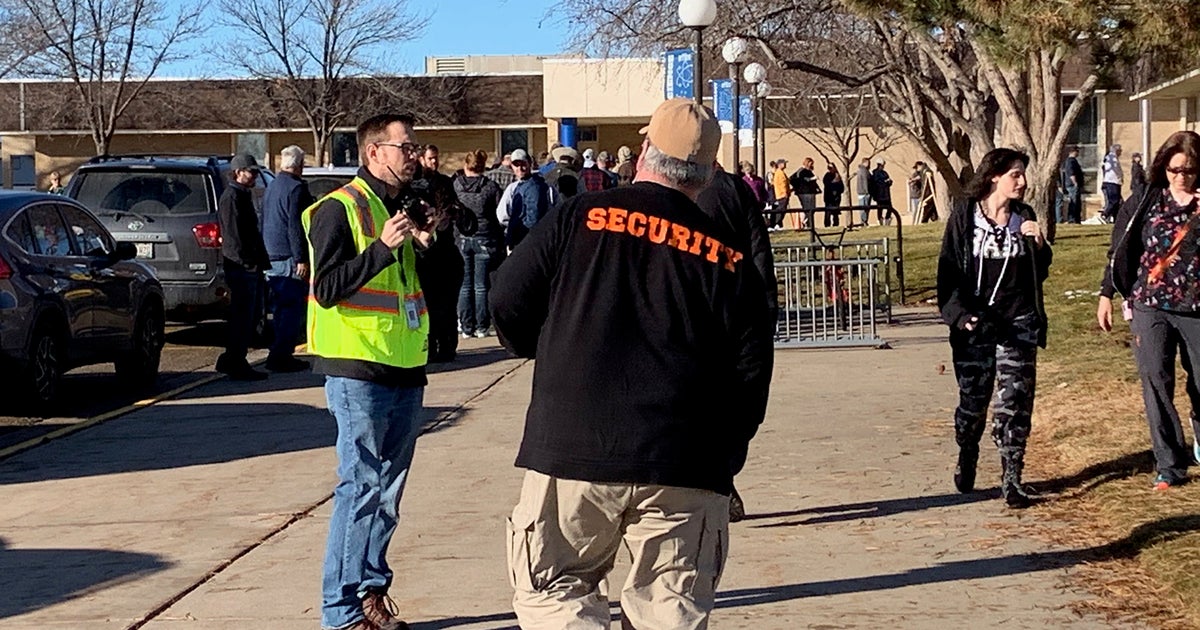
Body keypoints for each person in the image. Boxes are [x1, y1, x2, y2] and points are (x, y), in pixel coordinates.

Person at [491, 98, 773, 630]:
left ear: (644, 150)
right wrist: (726, 455)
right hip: (684, 459)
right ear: (710, 172)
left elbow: (507, 299)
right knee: (670, 609)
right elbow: (751, 370)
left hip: (573, 448)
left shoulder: (579, 217)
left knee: (553, 591)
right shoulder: (729, 258)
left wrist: (545, 345)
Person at [303, 113, 438, 630]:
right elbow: (329, 287)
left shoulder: (399, 207)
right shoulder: (338, 210)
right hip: (357, 367)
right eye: (405, 146)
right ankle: (339, 612)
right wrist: (382, 248)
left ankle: (370, 590)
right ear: (374, 152)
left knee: (388, 490)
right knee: (359, 488)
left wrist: (425, 243)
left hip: (403, 364)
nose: (413, 154)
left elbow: (411, 286)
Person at [937, 147, 1051, 509]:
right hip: (976, 328)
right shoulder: (965, 217)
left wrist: (1038, 244)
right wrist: (959, 315)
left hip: (1018, 324)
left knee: (1015, 403)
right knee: (973, 405)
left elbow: (1039, 272)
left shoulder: (1025, 215)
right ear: (993, 177)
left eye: (1023, 174)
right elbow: (948, 272)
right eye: (1015, 174)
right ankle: (967, 450)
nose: (1022, 182)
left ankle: (1012, 477)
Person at [1097, 130, 1200, 491]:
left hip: (1196, 308)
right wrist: (1107, 293)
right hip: (1150, 304)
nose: (1181, 177)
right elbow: (1121, 246)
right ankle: (1169, 464)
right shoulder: (1147, 199)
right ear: (1163, 167)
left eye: (1188, 170)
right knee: (1156, 381)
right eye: (1174, 169)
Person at [698, 161, 779, 523]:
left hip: (725, 313)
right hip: (722, 314)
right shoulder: (727, 189)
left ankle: (720, 476)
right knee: (739, 404)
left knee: (734, 404)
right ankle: (717, 478)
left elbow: (758, 249)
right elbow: (760, 251)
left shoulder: (730, 190)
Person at [216, 153, 270, 381]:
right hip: (240, 267)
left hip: (249, 265)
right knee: (242, 317)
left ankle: (232, 359)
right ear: (238, 172)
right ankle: (236, 361)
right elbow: (234, 236)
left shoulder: (242, 195)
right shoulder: (232, 197)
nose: (255, 176)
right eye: (252, 172)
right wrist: (247, 264)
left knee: (249, 316)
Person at [261, 145, 314, 373]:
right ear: (300, 165)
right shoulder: (296, 189)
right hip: (288, 256)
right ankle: (281, 355)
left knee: (279, 307)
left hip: (270, 255)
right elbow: (295, 226)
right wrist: (301, 258)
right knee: (291, 309)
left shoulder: (271, 186)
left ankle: (278, 353)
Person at [412, 144, 465, 363]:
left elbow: (453, 209)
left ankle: (447, 346)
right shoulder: (414, 188)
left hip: (445, 250)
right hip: (425, 253)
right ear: (422, 160)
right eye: (430, 159)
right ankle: (431, 346)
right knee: (429, 304)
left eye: (436, 158)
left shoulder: (444, 183)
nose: (434, 162)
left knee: (447, 303)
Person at [453, 149, 504, 338]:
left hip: (462, 237)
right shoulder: (490, 187)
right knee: (481, 286)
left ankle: (466, 326)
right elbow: (499, 214)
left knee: (465, 285)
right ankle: (482, 325)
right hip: (485, 236)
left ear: (466, 165)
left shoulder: (456, 186)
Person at [497, 148, 560, 250]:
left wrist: (517, 230)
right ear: (511, 166)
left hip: (529, 241)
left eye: (523, 164)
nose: (520, 168)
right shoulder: (516, 187)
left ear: (530, 163)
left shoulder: (537, 186)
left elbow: (534, 216)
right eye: (516, 165)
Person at [790, 157, 820, 229]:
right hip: (805, 193)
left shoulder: (807, 171)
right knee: (807, 208)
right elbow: (804, 180)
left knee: (812, 208)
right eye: (811, 163)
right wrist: (813, 178)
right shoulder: (802, 171)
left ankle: (809, 223)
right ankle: (805, 222)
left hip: (809, 192)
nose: (812, 165)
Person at [1060, 147, 1084, 224]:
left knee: (1077, 202)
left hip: (1073, 185)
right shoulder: (1070, 161)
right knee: (1074, 202)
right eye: (1077, 151)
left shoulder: (1073, 161)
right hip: (1072, 185)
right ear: (1073, 152)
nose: (1078, 153)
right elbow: (1071, 172)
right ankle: (1072, 219)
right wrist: (1075, 182)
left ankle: (1076, 219)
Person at [1102, 144, 1124, 221]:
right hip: (1112, 182)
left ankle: (1115, 218)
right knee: (1113, 200)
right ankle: (1105, 214)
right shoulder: (1112, 158)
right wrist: (1120, 178)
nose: (1121, 152)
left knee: (1117, 202)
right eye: (1120, 150)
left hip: (1114, 182)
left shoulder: (1112, 158)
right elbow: (1116, 171)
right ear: (1116, 150)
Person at [870, 160, 894, 226]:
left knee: (889, 208)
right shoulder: (875, 173)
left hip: (886, 194)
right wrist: (885, 182)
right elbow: (877, 183)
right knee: (880, 209)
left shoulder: (884, 173)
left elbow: (889, 180)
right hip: (879, 194)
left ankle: (887, 220)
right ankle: (880, 221)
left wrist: (889, 182)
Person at [823, 163, 845, 227]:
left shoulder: (837, 176)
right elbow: (827, 185)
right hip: (829, 198)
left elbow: (842, 188)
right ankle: (827, 224)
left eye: (832, 167)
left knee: (836, 212)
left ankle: (836, 224)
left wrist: (838, 191)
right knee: (828, 212)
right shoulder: (827, 176)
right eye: (829, 168)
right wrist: (834, 182)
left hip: (836, 198)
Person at [771, 158, 791, 230]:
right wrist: (785, 193)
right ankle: (777, 223)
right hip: (782, 195)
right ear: (780, 164)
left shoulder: (781, 172)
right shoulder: (779, 173)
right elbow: (782, 184)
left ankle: (778, 223)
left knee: (783, 209)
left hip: (783, 194)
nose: (785, 165)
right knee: (781, 209)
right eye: (784, 163)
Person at [855, 158, 872, 225]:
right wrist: (867, 191)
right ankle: (864, 221)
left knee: (862, 207)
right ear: (865, 163)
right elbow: (865, 181)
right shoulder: (864, 170)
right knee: (865, 207)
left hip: (860, 191)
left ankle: (863, 221)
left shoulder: (859, 170)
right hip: (864, 192)